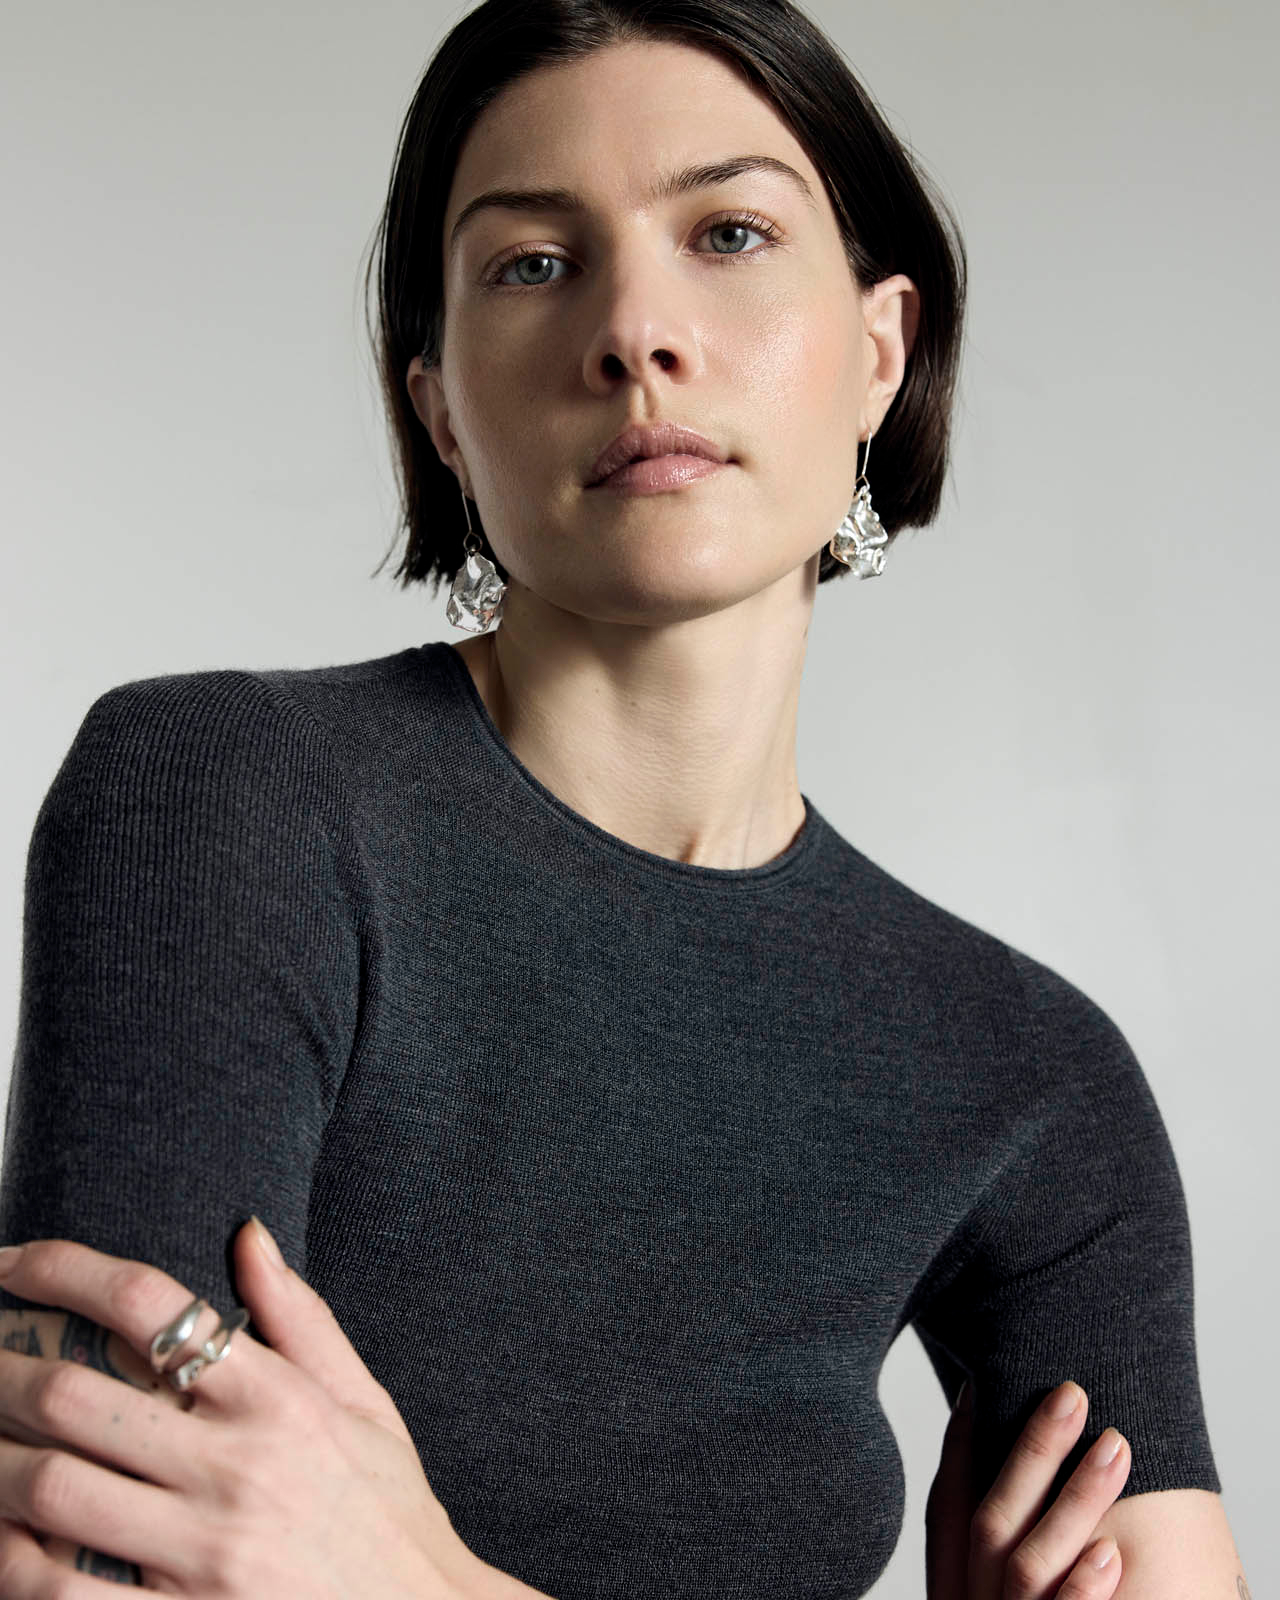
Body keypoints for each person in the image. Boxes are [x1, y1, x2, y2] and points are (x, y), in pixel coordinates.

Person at [0, 0, 1242, 1595]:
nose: (636, 333)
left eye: (728, 232)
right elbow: (87, 1561)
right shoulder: (223, 804)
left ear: (881, 350)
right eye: (531, 262)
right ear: (442, 408)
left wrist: (421, 1582)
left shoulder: (1033, 1077)